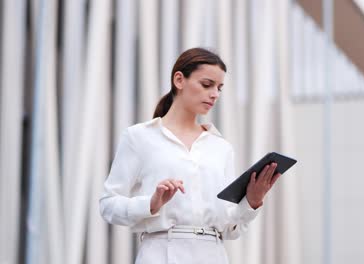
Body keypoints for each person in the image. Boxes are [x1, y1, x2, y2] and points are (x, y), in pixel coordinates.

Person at [99, 47, 281, 264]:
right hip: (160, 253)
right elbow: (108, 205)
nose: (214, 94)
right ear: (179, 80)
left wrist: (252, 201)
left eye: (219, 88)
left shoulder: (220, 147)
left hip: (213, 254)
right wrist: (151, 203)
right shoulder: (139, 137)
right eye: (207, 85)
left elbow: (230, 227)